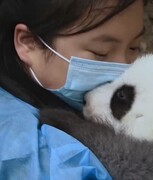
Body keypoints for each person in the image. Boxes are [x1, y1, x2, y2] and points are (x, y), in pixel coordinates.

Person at [0, 0, 145, 179]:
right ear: (29, 43)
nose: (123, 69)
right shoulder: (37, 157)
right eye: (101, 52)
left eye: (134, 47)